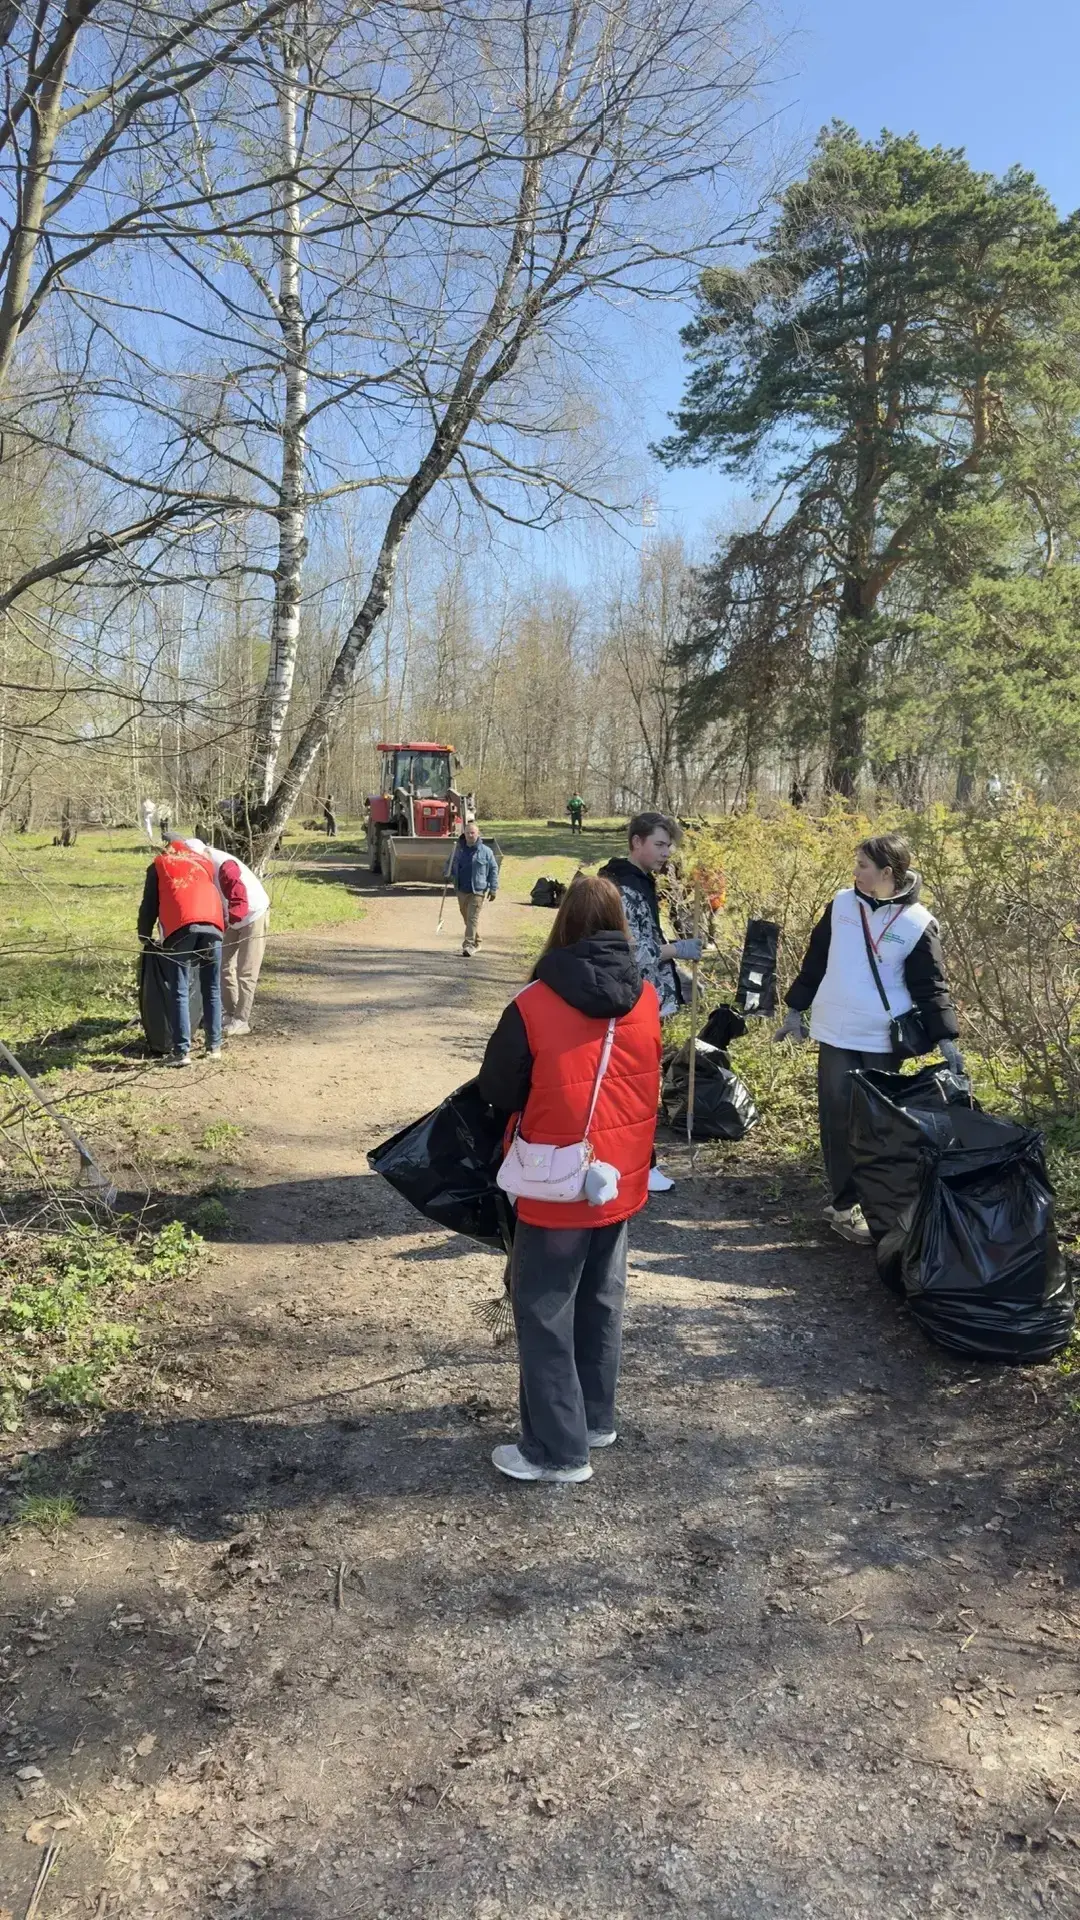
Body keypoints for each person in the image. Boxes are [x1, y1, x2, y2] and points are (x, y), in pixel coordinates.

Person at [478, 875, 662, 1484]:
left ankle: (557, 1450)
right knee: (601, 1299)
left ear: (562, 923)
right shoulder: (647, 998)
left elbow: (499, 1090)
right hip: (620, 1176)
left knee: (544, 1308)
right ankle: (595, 1419)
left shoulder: (532, 1003)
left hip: (555, 1178)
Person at [773, 833, 963, 1245]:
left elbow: (931, 986)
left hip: (880, 1038)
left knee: (876, 1127)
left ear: (887, 872)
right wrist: (794, 1010)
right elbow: (815, 960)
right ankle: (843, 1206)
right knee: (836, 1118)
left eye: (862, 865)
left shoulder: (917, 923)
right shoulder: (842, 904)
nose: (855, 872)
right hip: (834, 1032)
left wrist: (947, 1039)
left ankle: (880, 1205)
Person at [599, 811, 701, 1192]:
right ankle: (640, 1166)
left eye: (669, 846)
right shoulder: (622, 887)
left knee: (635, 1084)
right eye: (659, 844)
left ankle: (636, 1162)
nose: (666, 852)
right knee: (635, 1087)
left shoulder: (639, 881)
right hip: (630, 1000)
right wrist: (678, 950)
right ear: (636, 842)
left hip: (641, 1000)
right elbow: (634, 952)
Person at [137, 839, 225, 1066]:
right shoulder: (203, 863)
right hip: (213, 927)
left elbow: (149, 904)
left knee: (180, 989)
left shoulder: (160, 865)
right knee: (212, 987)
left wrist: (144, 935)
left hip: (181, 927)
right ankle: (214, 1046)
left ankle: (181, 1052)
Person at [183, 838, 270, 1037]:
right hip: (232, 917)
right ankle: (230, 1014)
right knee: (223, 964)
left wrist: (225, 923)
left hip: (253, 914)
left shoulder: (225, 866)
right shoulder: (201, 867)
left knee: (246, 971)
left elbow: (240, 902)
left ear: (204, 854)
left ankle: (242, 1020)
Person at [447, 817, 499, 957]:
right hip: (461, 890)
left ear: (478, 834)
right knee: (466, 917)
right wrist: (447, 874)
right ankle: (477, 940)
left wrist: (493, 888)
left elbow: (493, 869)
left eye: (473, 833)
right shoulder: (458, 850)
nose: (470, 835)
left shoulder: (486, 851)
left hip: (478, 890)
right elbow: (449, 864)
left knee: (472, 918)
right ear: (464, 834)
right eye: (468, 833)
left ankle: (468, 945)